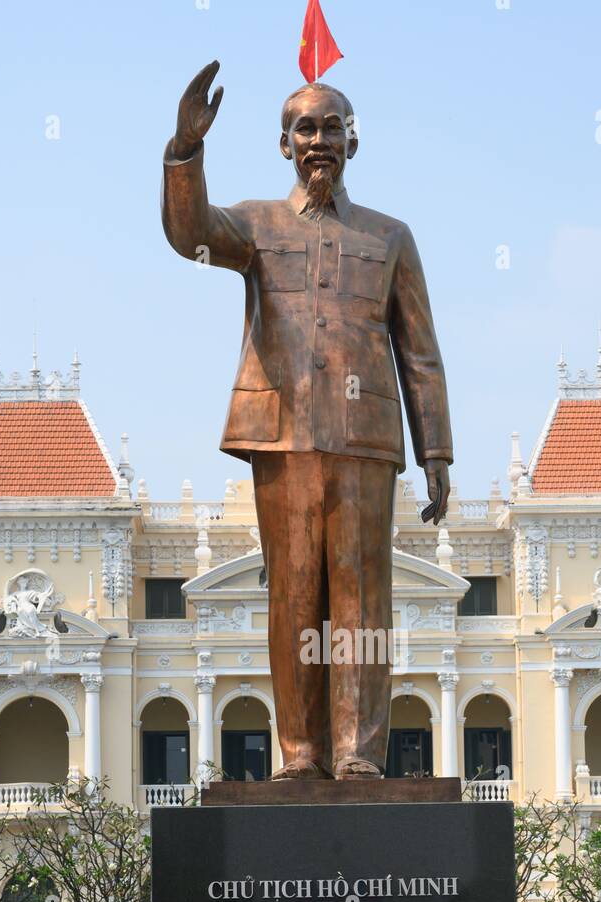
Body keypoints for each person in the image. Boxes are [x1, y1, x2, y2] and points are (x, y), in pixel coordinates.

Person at [162, 63, 453, 779]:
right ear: (284, 144)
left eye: (331, 127)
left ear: (352, 142)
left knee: (362, 602)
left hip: (365, 439)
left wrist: (436, 450)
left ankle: (359, 754)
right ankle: (299, 755)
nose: (318, 139)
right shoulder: (255, 225)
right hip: (282, 432)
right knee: (295, 595)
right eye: (304, 127)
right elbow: (188, 232)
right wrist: (184, 150)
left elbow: (420, 351)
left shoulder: (391, 237)